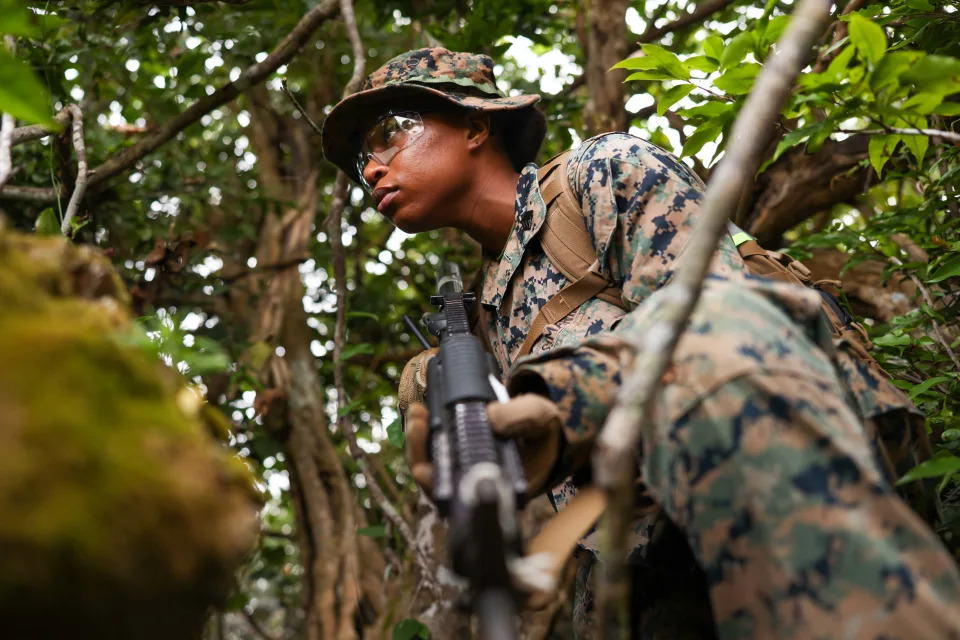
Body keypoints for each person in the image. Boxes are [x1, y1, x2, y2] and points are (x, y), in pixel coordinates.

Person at [321, 47, 960, 638]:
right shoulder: (488, 312)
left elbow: (712, 320)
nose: (372, 166)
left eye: (389, 131)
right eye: (360, 161)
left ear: (474, 125)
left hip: (783, 485)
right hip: (651, 566)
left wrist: (559, 401)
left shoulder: (601, 174)